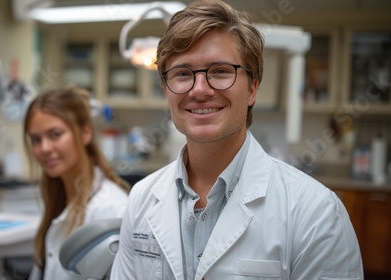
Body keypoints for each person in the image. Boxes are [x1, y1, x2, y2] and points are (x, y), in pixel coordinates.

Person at [110, 0, 363, 279]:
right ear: (166, 90)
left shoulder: (317, 213)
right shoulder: (141, 198)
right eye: (183, 74)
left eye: (220, 71)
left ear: (252, 89)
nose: (200, 90)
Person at [24, 86, 130, 280]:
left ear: (85, 133)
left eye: (55, 135)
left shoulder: (111, 208)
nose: (44, 148)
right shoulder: (59, 198)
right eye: (36, 139)